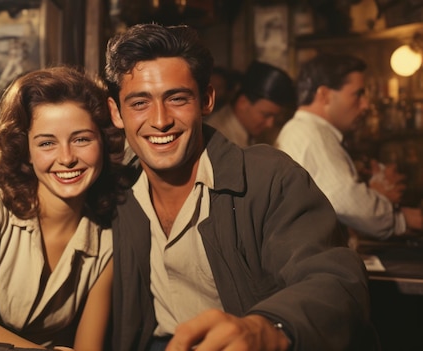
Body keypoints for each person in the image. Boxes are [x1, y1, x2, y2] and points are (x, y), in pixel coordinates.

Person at [104, 23, 376, 351]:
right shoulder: (112, 192)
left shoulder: (269, 177)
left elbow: (335, 280)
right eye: (139, 103)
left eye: (177, 98)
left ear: (206, 100)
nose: (160, 120)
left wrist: (269, 327)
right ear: (116, 113)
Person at [0, 66, 128, 350]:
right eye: (47, 143)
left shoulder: (106, 239)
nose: (67, 158)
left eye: (81, 139)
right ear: (25, 150)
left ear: (103, 143)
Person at [275, 53, 423, 240]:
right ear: (324, 95)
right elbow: (347, 201)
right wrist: (401, 219)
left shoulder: (308, 130)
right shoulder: (312, 134)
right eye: (358, 94)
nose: (365, 105)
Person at [204, 60, 295, 147]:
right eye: (266, 115)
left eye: (274, 117)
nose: (269, 124)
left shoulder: (252, 132)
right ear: (243, 103)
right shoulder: (218, 136)